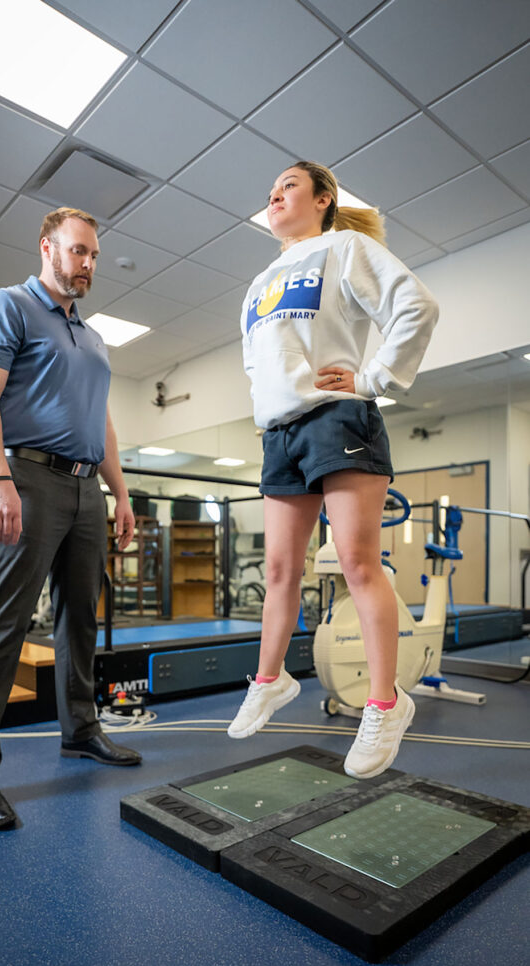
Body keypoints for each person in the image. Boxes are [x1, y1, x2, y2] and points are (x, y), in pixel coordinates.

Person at [227, 160, 439, 779]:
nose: (275, 194)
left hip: (338, 417)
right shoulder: (257, 283)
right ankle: (269, 679)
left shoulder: (344, 247)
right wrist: (270, 414)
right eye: (270, 189)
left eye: (289, 185)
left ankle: (384, 704)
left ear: (323, 199)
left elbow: (415, 306)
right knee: (279, 568)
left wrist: (373, 378)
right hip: (281, 431)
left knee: (356, 563)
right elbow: (255, 365)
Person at [0, 206, 141, 830]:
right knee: (2, 623)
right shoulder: (7, 305)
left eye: (94, 256)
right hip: (27, 478)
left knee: (80, 620)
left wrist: (120, 492)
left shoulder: (92, 336)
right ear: (47, 248)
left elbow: (102, 421)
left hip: (87, 490)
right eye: (78, 251)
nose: (87, 265)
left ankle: (81, 729)